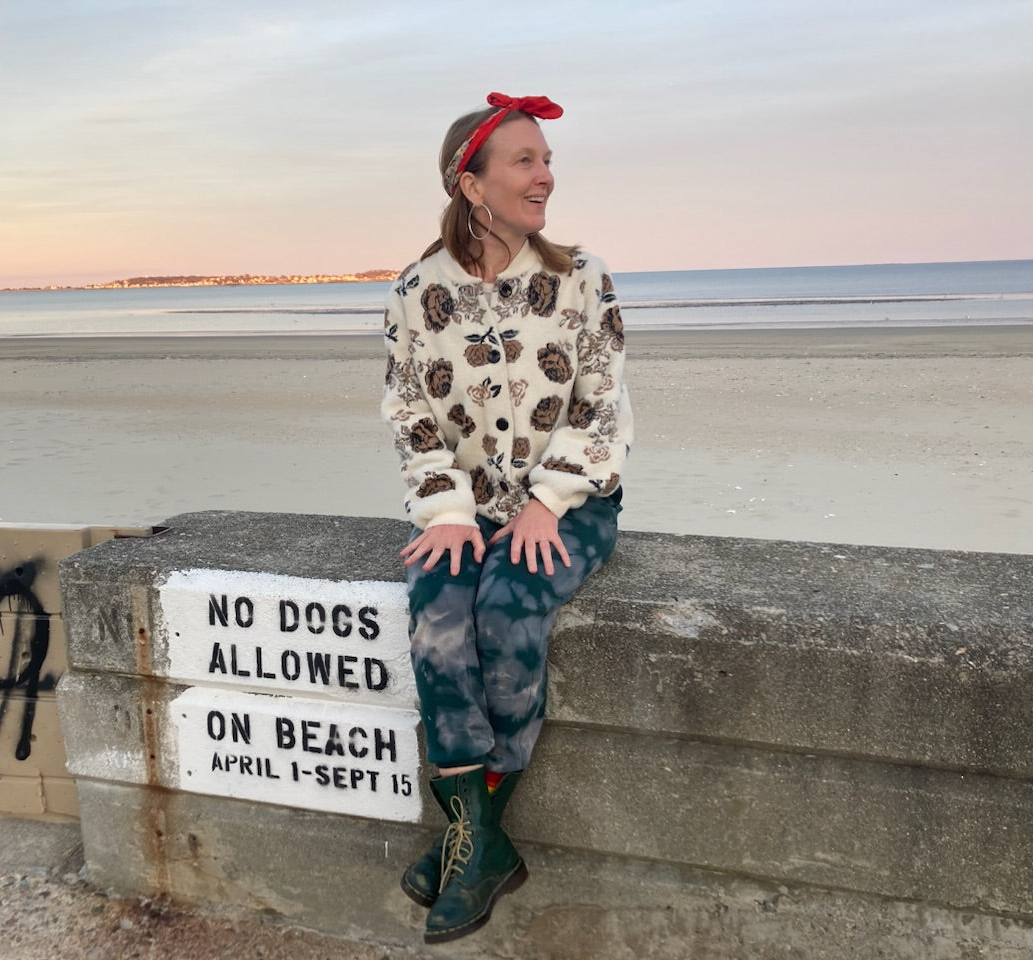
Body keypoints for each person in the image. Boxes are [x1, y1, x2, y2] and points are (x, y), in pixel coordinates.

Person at [380, 92, 633, 943]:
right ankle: (480, 842)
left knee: (509, 609)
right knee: (437, 621)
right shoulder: (418, 291)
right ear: (472, 183)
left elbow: (604, 408)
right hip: (464, 509)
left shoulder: (582, 279)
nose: (546, 176)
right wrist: (446, 509)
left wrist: (548, 500)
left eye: (547, 160)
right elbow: (408, 409)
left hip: (571, 501)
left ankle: (469, 836)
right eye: (525, 160)